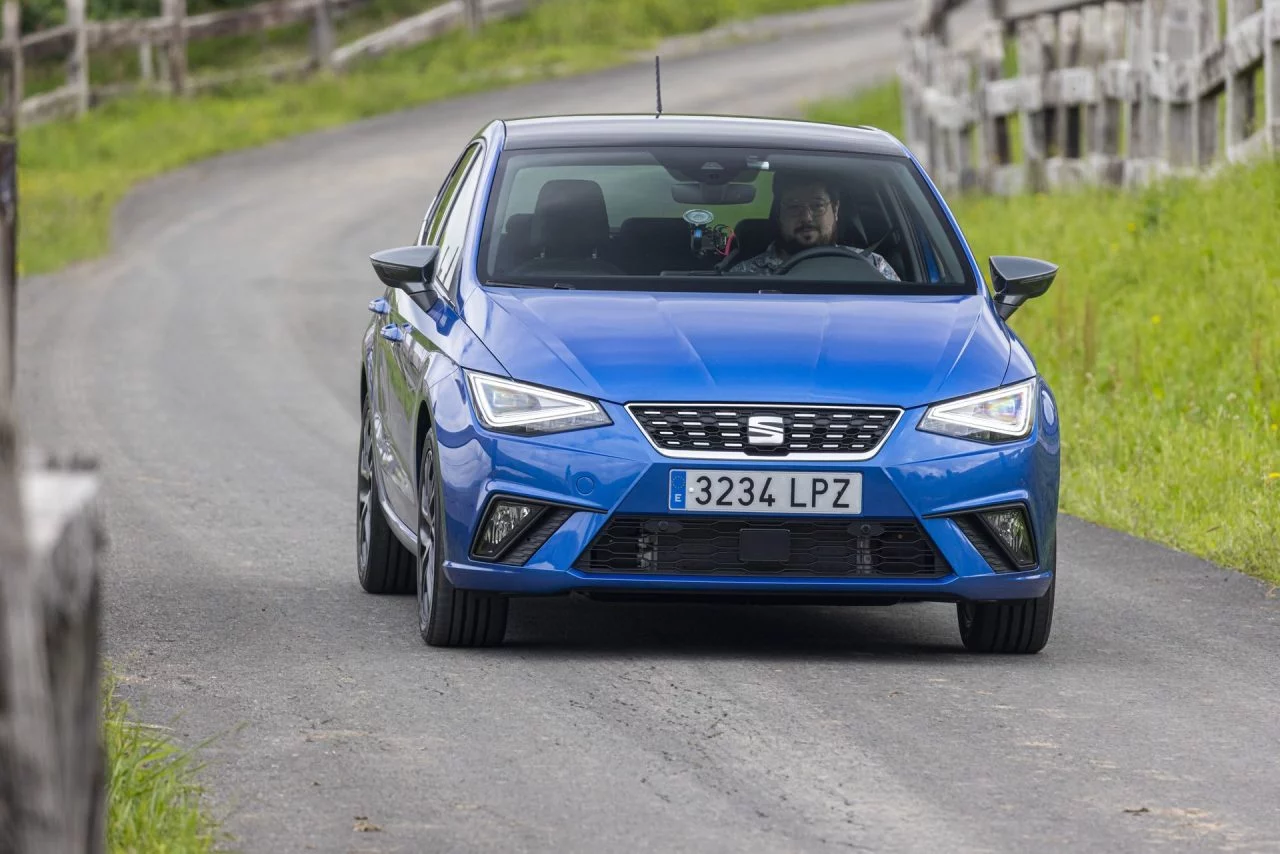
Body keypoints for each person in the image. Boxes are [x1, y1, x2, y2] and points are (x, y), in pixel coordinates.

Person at [727, 171, 900, 280]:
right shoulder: (746, 275)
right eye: (794, 207)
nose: (806, 217)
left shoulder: (873, 267)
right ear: (778, 214)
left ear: (835, 209)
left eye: (817, 206)